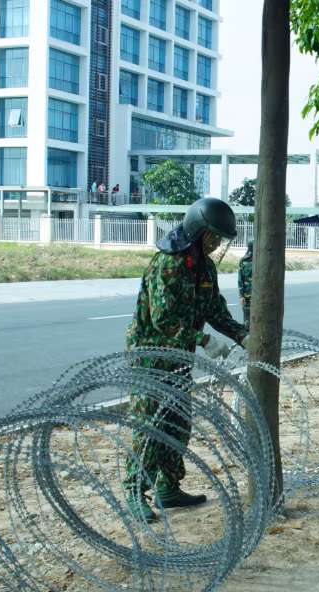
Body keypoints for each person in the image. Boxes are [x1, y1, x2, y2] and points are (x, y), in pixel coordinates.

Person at [123, 198, 248, 522]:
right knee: (150, 426)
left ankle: (168, 487)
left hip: (179, 356)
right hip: (151, 356)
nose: (218, 243)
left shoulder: (204, 266)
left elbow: (214, 309)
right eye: (214, 236)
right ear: (198, 231)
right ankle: (136, 492)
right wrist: (203, 340)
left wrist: (241, 335)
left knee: (178, 423)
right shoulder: (168, 264)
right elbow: (163, 320)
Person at [238, 240, 253, 330]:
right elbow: (240, 279)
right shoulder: (244, 261)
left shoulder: (262, 261)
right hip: (247, 296)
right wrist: (241, 295)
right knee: (247, 321)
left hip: (260, 296)